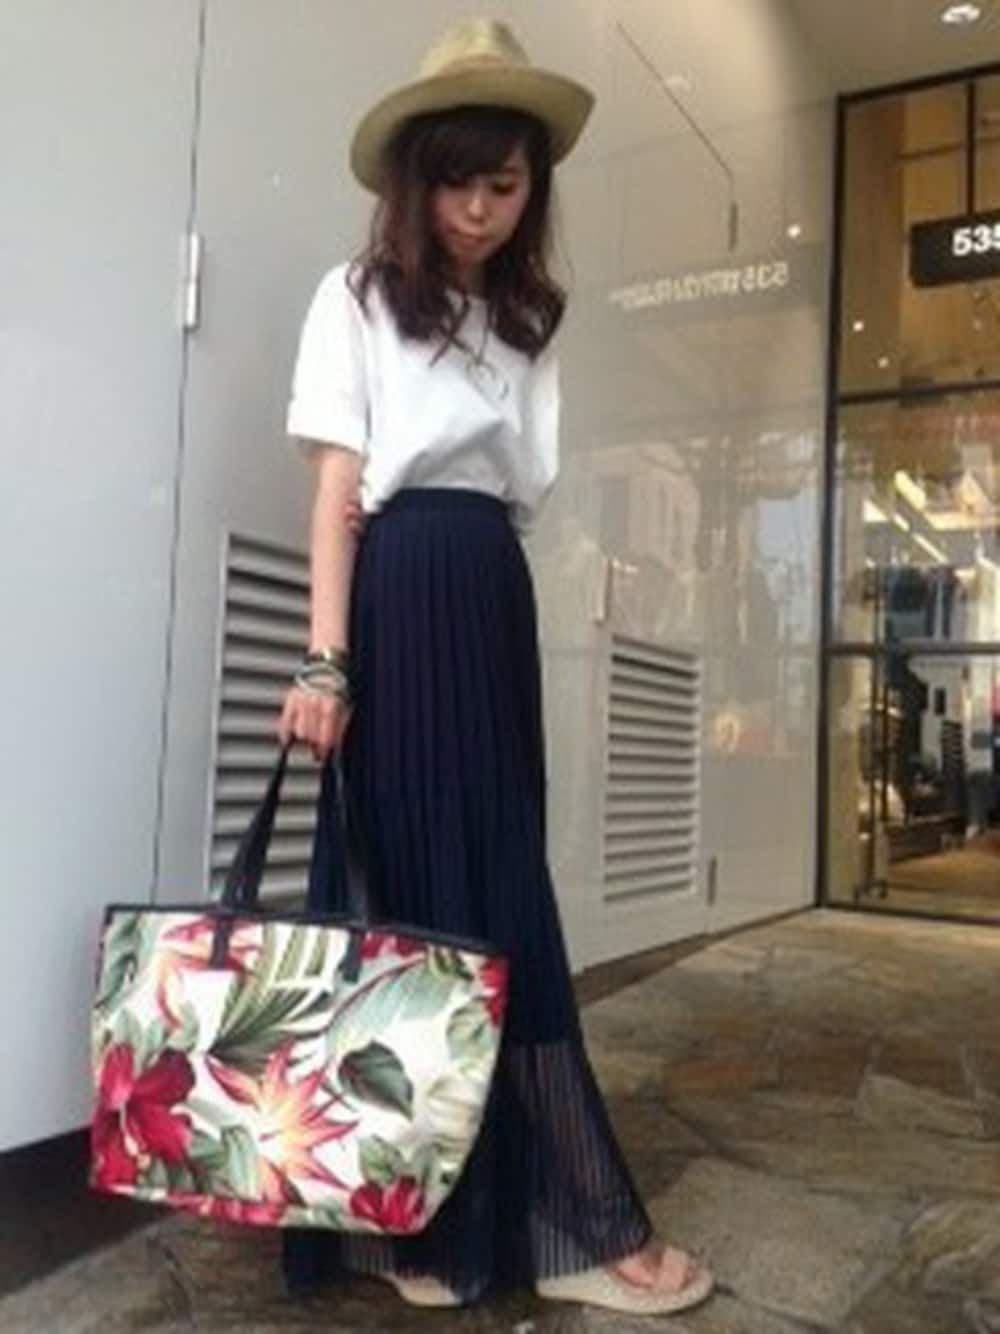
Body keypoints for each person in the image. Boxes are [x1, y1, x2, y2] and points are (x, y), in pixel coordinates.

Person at [276, 16, 715, 1318]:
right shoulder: (354, 298)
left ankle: (544, 1217)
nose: (478, 206)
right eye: (457, 179)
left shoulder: (528, 319)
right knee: (411, 900)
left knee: (505, 891)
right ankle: (441, 1231)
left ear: (534, 189)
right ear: (415, 180)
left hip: (488, 598)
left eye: (505, 182)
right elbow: (338, 493)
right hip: (402, 593)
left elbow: (522, 490)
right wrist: (326, 663)